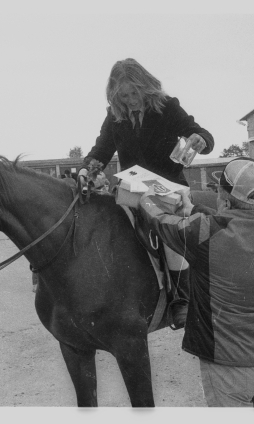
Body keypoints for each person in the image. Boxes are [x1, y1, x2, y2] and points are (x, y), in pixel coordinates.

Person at [139, 157, 254, 407]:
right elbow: (231, 221)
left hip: (227, 365)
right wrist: (193, 209)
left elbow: (160, 221)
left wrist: (145, 198)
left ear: (225, 197)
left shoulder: (205, 232)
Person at [79, 58, 215, 328]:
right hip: (133, 188)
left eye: (133, 93)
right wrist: (87, 169)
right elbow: (101, 150)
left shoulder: (167, 107)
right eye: (123, 95)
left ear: (145, 86)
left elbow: (198, 133)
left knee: (167, 231)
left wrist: (201, 139)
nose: (129, 100)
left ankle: (181, 298)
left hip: (169, 188)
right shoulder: (114, 117)